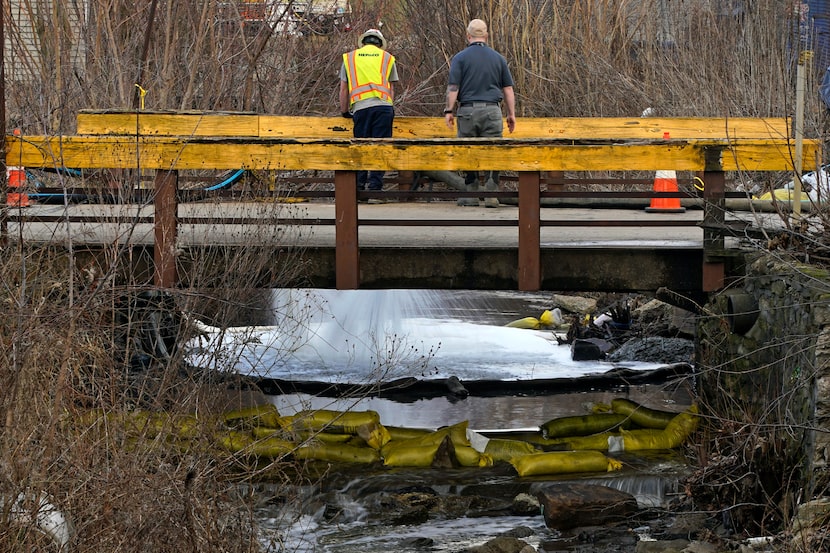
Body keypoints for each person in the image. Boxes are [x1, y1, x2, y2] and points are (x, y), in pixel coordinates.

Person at [444, 19, 516, 207]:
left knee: (468, 151)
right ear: (486, 36)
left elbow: (453, 87)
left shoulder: (460, 58)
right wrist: (511, 114)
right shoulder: (498, 58)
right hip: (492, 110)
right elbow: (508, 89)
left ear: (468, 36)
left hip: (467, 110)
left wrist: (449, 110)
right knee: (493, 151)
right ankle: (491, 194)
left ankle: (471, 194)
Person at [339, 28, 398, 200]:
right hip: (384, 108)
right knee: (380, 148)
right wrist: (389, 106)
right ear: (380, 44)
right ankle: (375, 191)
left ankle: (359, 190)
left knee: (361, 148)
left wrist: (344, 111)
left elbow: (344, 89)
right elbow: (391, 88)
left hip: (361, 108)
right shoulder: (387, 58)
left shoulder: (349, 58)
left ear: (363, 42)